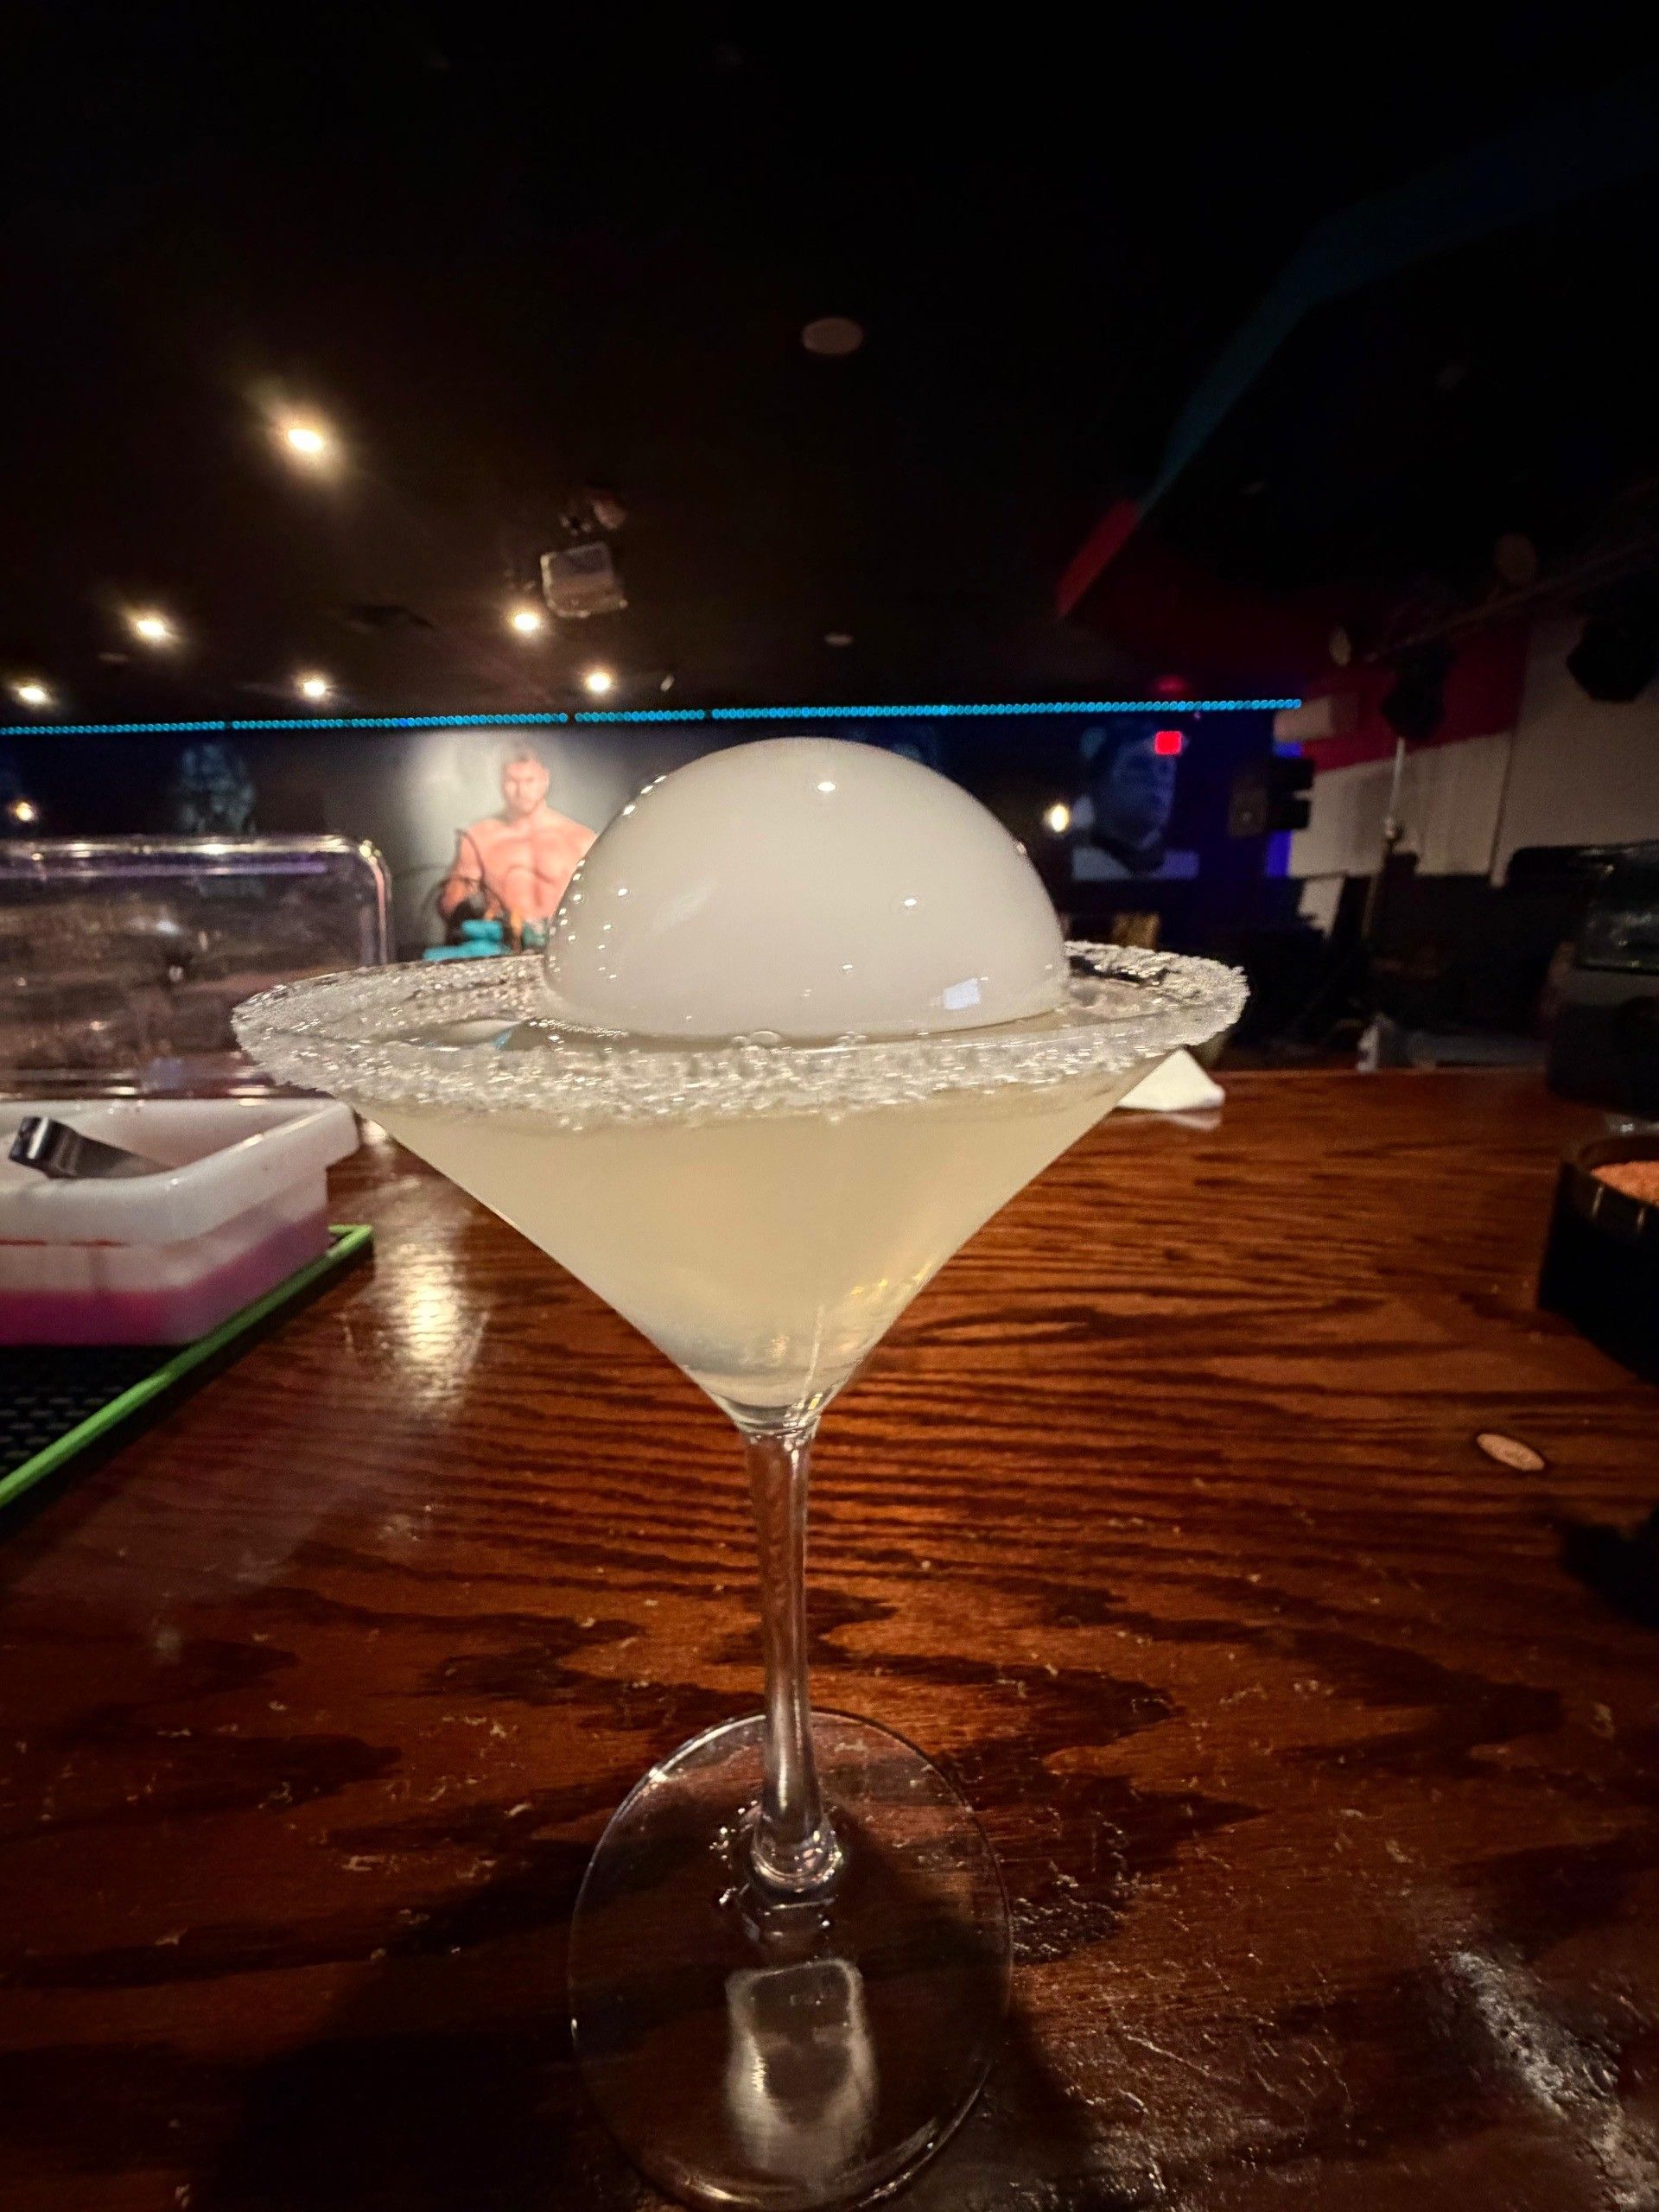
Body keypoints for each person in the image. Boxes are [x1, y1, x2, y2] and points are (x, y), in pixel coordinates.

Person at [438, 748, 595, 937]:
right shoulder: (480, 839)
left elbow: (604, 903)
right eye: (512, 781)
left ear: (545, 780)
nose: (521, 791)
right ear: (501, 783)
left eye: (529, 781)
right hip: (504, 949)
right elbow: (451, 908)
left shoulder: (580, 839)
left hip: (565, 944)